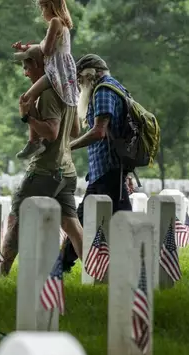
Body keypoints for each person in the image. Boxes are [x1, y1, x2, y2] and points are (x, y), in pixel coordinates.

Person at [1, 45, 82, 276]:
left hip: (45, 170)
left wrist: (27, 117)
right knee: (73, 228)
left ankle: (0, 272)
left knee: (17, 215)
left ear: (38, 65)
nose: (25, 73)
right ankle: (99, 275)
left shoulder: (47, 93)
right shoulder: (68, 91)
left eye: (27, 67)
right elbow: (74, 130)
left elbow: (52, 132)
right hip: (66, 172)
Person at [58, 54, 133, 272]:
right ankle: (63, 263)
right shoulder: (116, 87)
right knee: (120, 220)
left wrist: (68, 146)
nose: (80, 85)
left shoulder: (103, 91)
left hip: (106, 169)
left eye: (80, 80)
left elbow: (99, 131)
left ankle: (61, 266)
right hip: (111, 169)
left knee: (80, 219)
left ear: (90, 74)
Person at [11, 0, 79, 161]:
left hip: (56, 72)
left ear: (51, 6)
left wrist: (32, 50)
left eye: (43, 8)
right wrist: (26, 49)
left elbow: (47, 49)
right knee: (35, 98)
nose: (42, 13)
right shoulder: (63, 25)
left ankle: (34, 141)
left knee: (27, 98)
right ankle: (35, 140)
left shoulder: (55, 22)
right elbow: (48, 46)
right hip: (65, 72)